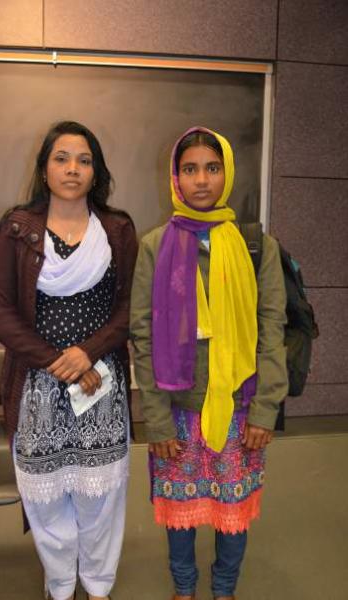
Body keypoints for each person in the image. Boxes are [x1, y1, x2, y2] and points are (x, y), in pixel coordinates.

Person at [130, 126, 288, 600]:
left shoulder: (258, 246)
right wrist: (155, 421)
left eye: (212, 168)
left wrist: (265, 410)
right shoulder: (154, 246)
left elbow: (272, 329)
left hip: (241, 402)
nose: (202, 180)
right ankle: (184, 588)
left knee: (231, 507)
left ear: (227, 173)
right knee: (181, 507)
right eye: (190, 169)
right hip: (176, 405)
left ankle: (224, 590)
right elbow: (142, 335)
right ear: (175, 177)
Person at [0, 120, 138, 600]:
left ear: (96, 172)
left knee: (101, 496)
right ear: (44, 168)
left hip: (101, 384)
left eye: (84, 159)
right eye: (62, 158)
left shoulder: (116, 228)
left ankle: (97, 585)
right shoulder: (17, 229)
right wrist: (57, 360)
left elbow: (131, 305)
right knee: (46, 500)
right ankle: (58, 584)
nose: (73, 168)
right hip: (37, 388)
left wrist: (86, 353)